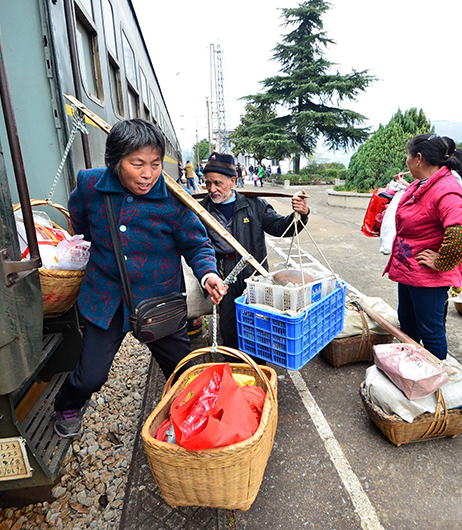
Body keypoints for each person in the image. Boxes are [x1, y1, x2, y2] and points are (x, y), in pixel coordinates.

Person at [52, 119, 227, 438]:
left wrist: (208, 274)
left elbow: (196, 243)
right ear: (116, 161)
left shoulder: (173, 199)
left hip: (159, 301)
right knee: (90, 375)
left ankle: (190, 422)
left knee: (181, 372)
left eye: (156, 164)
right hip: (105, 299)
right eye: (137, 164)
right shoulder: (92, 185)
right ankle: (67, 405)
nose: (148, 173)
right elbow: (79, 222)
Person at [199, 152, 309, 353]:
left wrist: (300, 214)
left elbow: (281, 227)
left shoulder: (254, 205)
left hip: (253, 272)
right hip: (223, 273)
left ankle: (258, 367)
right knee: (229, 326)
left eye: (217, 183)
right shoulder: (200, 211)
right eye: (207, 184)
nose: (211, 189)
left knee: (258, 324)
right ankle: (234, 366)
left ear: (232, 181)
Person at [383, 134, 462, 361]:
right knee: (408, 324)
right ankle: (411, 370)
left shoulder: (446, 188)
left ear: (419, 158)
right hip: (410, 270)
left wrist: (441, 261)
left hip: (428, 277)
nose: (406, 160)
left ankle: (435, 381)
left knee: (430, 331)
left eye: (408, 155)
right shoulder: (423, 183)